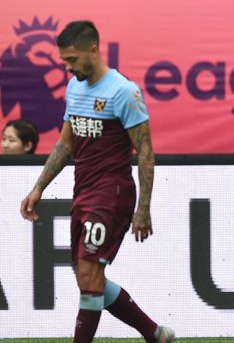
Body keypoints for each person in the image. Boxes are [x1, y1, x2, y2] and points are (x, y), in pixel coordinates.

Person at [19, 21, 174, 343]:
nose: (68, 67)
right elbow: (65, 144)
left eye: (72, 59)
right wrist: (39, 187)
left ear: (93, 49)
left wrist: (143, 208)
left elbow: (144, 151)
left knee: (89, 274)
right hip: (84, 191)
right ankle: (154, 333)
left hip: (112, 192)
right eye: (64, 61)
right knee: (87, 278)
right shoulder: (75, 88)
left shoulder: (123, 91)